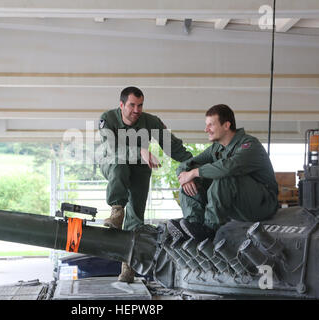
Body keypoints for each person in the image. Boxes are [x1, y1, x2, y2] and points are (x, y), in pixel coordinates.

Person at [98, 86, 192, 282]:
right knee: (120, 163)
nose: (136, 110)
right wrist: (141, 151)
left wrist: (193, 167)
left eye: (140, 105)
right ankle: (116, 210)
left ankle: (128, 266)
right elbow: (114, 148)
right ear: (122, 105)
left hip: (140, 168)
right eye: (132, 105)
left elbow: (173, 147)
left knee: (136, 216)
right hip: (112, 163)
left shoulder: (151, 121)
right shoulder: (108, 119)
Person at [176, 104, 278, 241]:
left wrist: (194, 172)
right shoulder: (216, 148)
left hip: (262, 204)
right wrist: (185, 174)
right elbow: (188, 164)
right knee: (190, 180)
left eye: (211, 125)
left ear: (226, 125)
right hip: (237, 203)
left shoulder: (249, 144)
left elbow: (228, 167)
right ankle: (194, 224)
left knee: (224, 175)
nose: (206, 129)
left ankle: (209, 229)